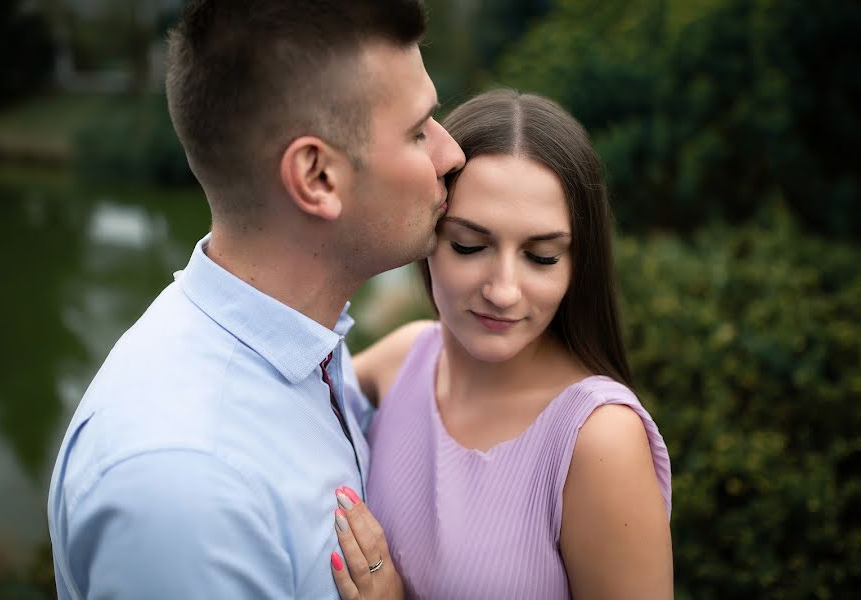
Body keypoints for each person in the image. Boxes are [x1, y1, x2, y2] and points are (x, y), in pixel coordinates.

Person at [46, 0, 464, 597]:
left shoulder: (299, 341)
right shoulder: (189, 486)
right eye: (419, 131)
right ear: (317, 178)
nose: (452, 154)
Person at [330, 89, 673, 599]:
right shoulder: (406, 357)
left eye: (542, 257)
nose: (503, 291)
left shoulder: (599, 440)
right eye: (469, 245)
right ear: (427, 234)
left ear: (580, 265)